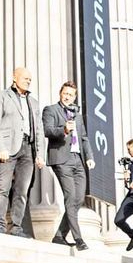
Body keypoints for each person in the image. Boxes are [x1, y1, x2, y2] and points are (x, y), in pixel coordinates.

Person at [0, 67, 45, 237]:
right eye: (25, 78)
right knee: (3, 188)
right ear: (14, 77)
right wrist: (0, 148)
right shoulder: (1, 96)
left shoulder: (33, 102)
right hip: (8, 148)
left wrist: (40, 153)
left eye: (30, 79)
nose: (28, 81)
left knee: (21, 191)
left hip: (28, 149)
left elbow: (39, 130)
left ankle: (17, 226)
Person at [42, 81, 95, 251]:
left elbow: (84, 137)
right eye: (65, 93)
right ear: (60, 93)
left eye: (71, 94)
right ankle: (78, 239)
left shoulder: (77, 114)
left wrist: (89, 157)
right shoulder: (51, 110)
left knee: (79, 199)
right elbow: (47, 130)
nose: (67, 97)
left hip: (78, 159)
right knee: (70, 197)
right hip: (61, 159)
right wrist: (63, 130)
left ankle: (59, 235)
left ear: (75, 97)